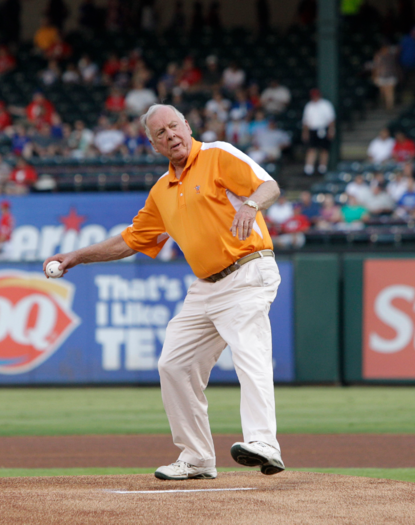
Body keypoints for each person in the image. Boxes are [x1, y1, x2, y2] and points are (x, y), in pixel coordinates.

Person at [43, 103, 284, 481]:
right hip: (206, 287)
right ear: (153, 144)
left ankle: (264, 442)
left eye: (174, 126)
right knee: (174, 363)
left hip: (248, 270)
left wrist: (251, 205)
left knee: (249, 349)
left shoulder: (217, 154)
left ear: (187, 126)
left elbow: (269, 185)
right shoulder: (162, 190)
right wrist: (77, 256)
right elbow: (131, 240)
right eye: (161, 133)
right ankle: (198, 457)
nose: (170, 135)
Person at [302, 89, 335, 175]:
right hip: (312, 129)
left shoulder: (326, 104)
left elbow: (331, 119)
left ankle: (322, 168)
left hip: (323, 128)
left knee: (324, 149)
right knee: (311, 149)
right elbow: (306, 121)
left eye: (316, 95)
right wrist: (305, 132)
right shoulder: (309, 105)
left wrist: (331, 130)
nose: (314, 97)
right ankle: (309, 169)